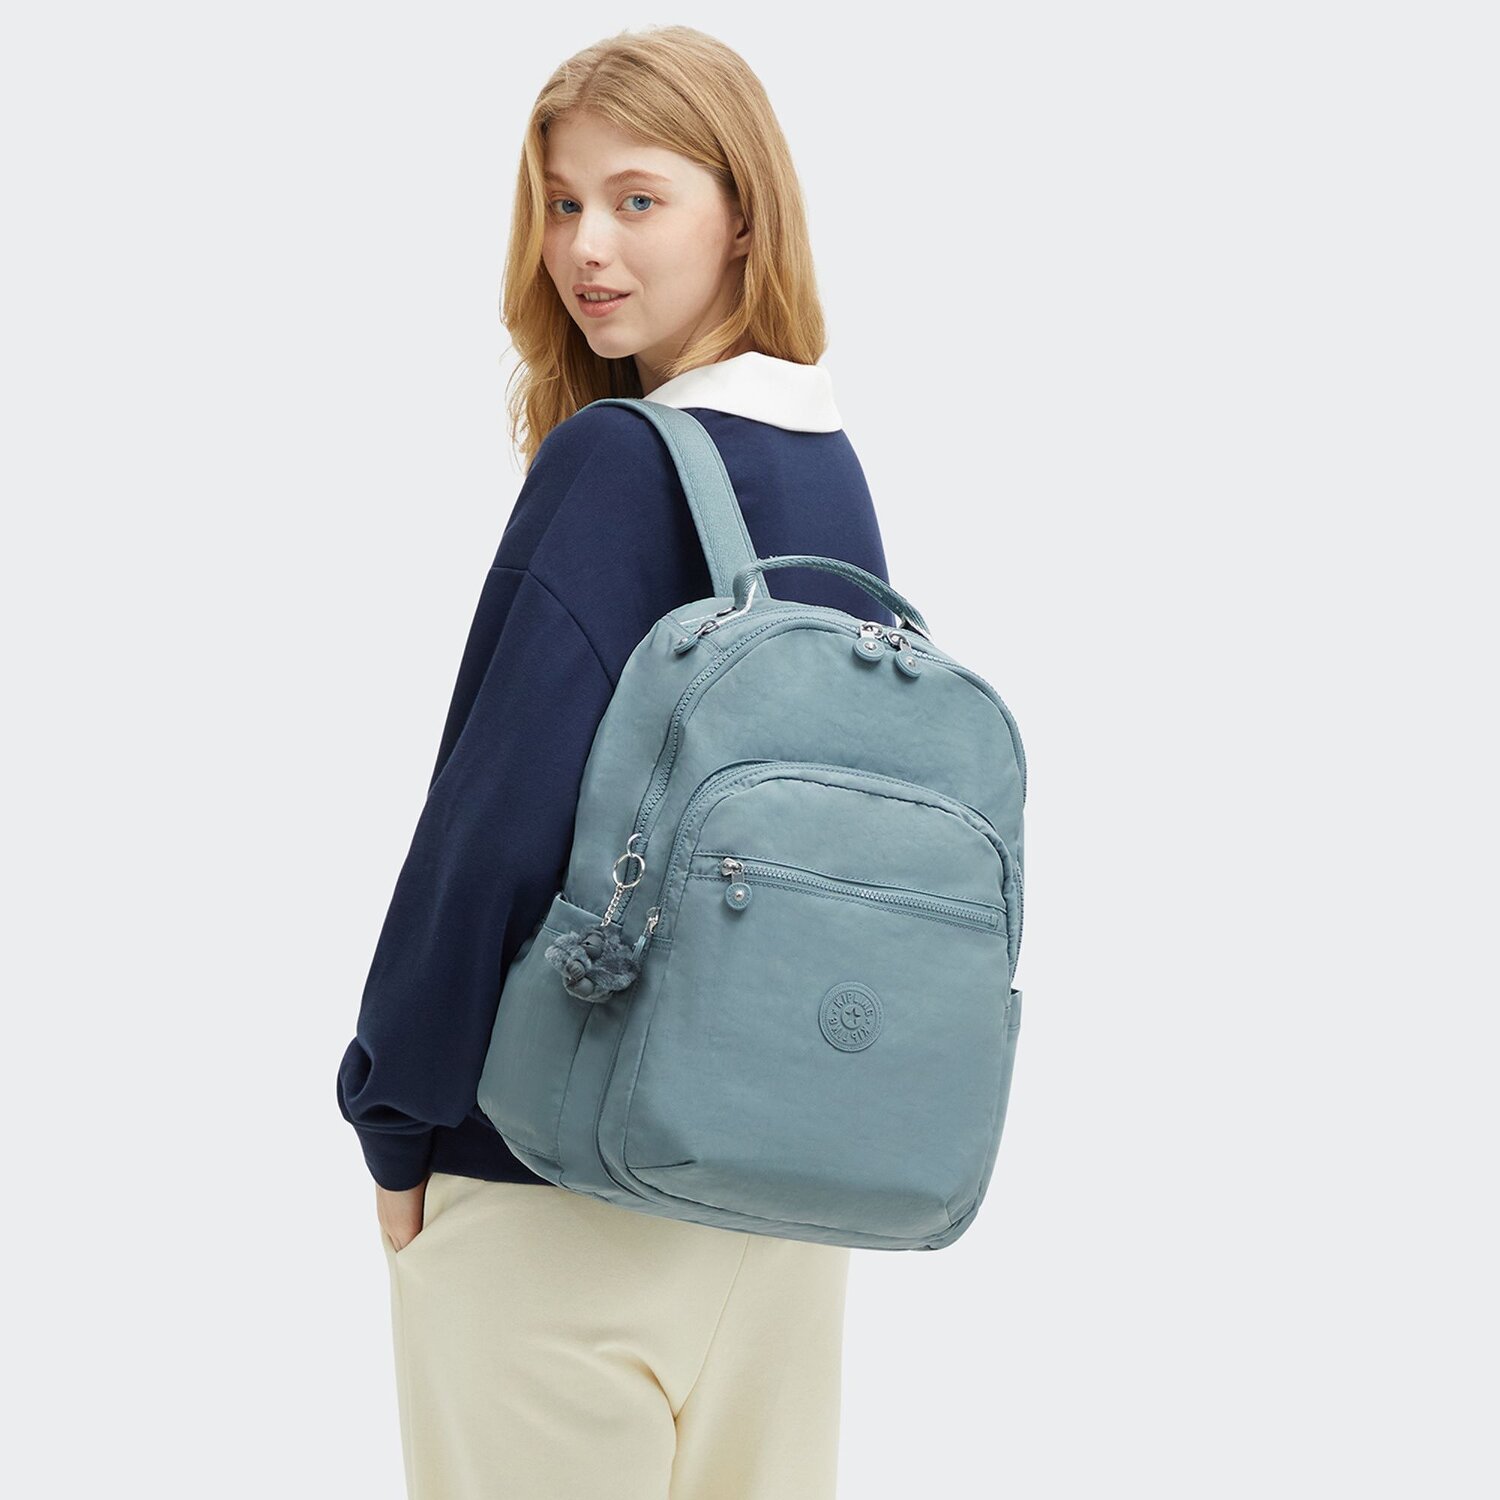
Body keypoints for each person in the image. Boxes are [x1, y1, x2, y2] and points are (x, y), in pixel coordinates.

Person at [336, 24, 896, 1499]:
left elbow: (493, 828)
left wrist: (394, 1114)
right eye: (562, 201)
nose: (586, 247)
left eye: (638, 199)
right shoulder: (826, 465)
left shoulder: (619, 461)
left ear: (743, 216)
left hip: (553, 1184)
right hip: (783, 1195)